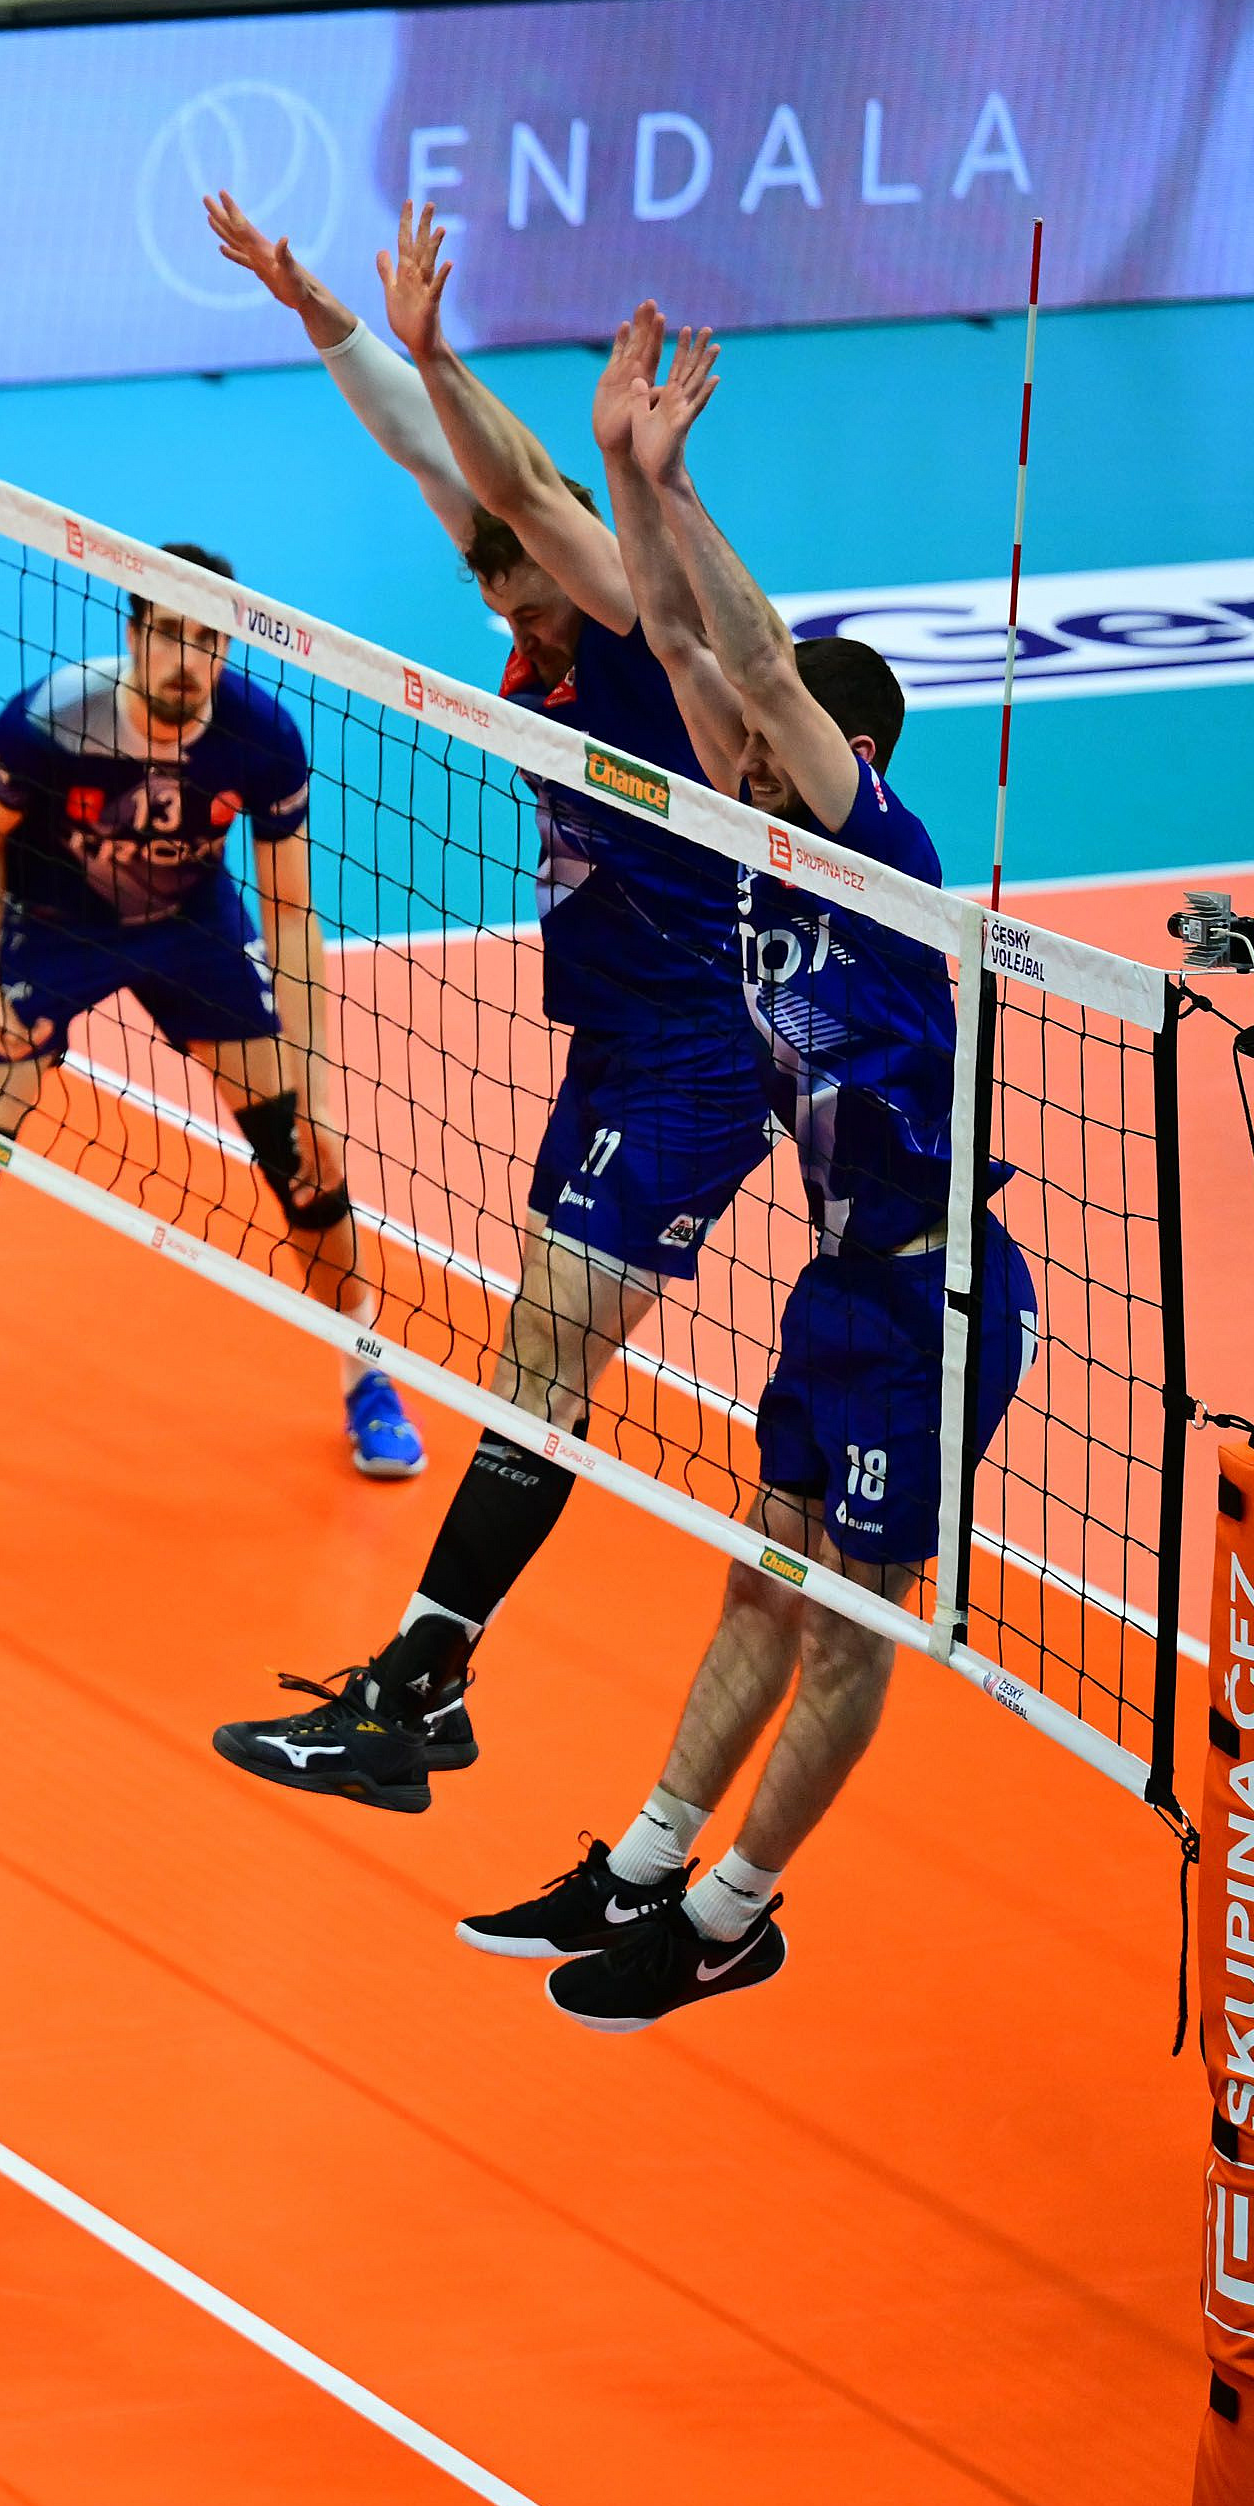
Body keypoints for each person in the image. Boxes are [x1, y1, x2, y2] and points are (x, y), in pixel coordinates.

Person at [451, 313, 1032, 2026]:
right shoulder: (757, 833)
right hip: (840, 1285)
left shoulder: (879, 847)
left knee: (850, 1622)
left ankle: (732, 1912)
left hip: (933, 1298)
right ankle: (644, 1866)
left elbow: (759, 664)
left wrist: (682, 479)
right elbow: (684, 647)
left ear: (853, 763)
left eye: (775, 753)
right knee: (759, 1570)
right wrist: (622, 476)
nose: (742, 761)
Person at [199, 200, 767, 1812]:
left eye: (534, 599)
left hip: (698, 1061)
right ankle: (425, 1689)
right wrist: (322, 314)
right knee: (536, 1366)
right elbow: (447, 476)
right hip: (612, 1046)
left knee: (542, 1362)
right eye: (502, 601)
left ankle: (412, 1691)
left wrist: (444, 352)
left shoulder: (639, 632)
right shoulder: (536, 618)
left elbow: (518, 486)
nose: (516, 623)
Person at [0, 544, 423, 1482]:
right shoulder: (51, 721)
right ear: (134, 634)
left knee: (305, 1164)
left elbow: (292, 915)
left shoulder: (261, 736)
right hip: (53, 924)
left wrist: (319, 1095)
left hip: (191, 928)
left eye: (209, 639)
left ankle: (366, 1371)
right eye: (170, 634)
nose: (189, 658)